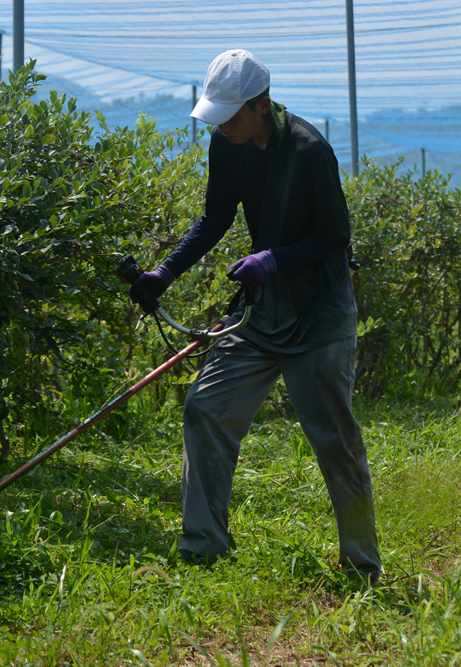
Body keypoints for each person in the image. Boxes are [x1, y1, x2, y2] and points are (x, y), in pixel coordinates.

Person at [129, 49, 381, 583]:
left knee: (334, 437)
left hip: (319, 314)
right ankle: (204, 548)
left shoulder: (311, 150)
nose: (219, 127)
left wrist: (273, 257)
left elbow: (335, 237)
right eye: (215, 117)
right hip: (261, 313)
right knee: (205, 408)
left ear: (261, 106)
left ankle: (362, 563)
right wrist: (164, 273)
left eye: (230, 116)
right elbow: (215, 216)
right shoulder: (229, 145)